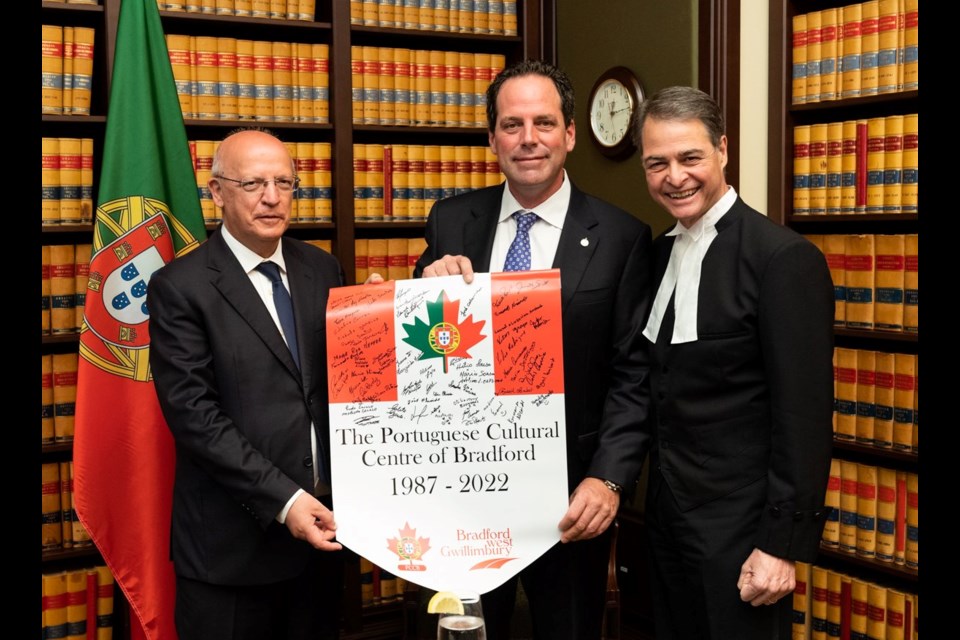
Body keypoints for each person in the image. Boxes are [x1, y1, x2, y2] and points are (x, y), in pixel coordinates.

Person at [413, 59, 652, 640]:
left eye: (543, 123)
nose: (528, 139)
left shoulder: (623, 237)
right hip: (462, 494)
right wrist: (425, 284)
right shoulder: (450, 221)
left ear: (569, 134)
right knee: (458, 636)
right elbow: (424, 353)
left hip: (570, 501)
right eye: (511, 124)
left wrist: (609, 480)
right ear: (492, 137)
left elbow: (634, 374)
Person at [633, 86, 834, 639]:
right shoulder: (655, 255)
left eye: (689, 157)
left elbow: (804, 419)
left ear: (723, 150)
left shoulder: (783, 259)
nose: (674, 176)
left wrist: (780, 546)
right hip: (667, 520)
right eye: (657, 163)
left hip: (744, 532)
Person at [148, 129, 346, 640]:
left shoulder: (323, 270)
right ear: (217, 192)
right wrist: (286, 500)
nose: (273, 198)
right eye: (254, 183)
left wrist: (373, 320)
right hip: (230, 558)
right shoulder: (180, 287)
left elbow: (344, 387)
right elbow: (196, 417)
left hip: (322, 544)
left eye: (285, 182)